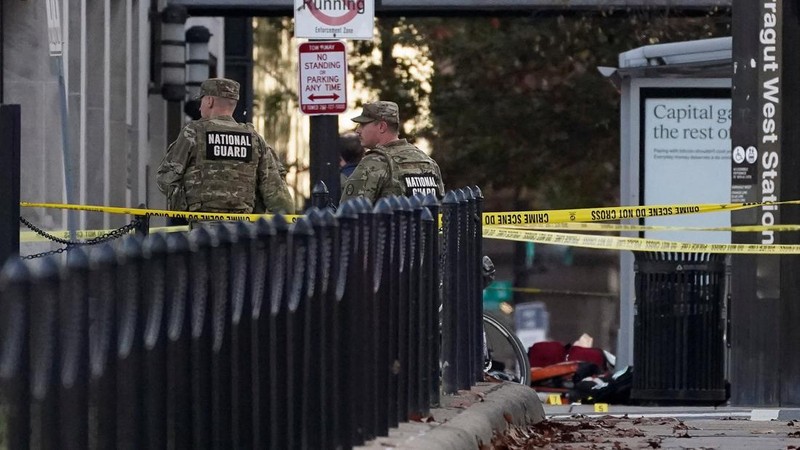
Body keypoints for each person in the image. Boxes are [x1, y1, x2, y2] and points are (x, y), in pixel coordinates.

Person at [157, 78, 295, 215]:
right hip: (241, 228)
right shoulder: (254, 139)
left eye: (202, 101)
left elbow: (166, 178)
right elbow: (277, 194)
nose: (200, 107)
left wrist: (185, 209)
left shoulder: (193, 133)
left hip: (202, 227)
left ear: (210, 101)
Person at [340, 101, 444, 204]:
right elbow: (441, 209)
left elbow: (350, 212)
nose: (358, 130)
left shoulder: (375, 162)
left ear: (382, 127)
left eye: (363, 124)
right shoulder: (427, 161)